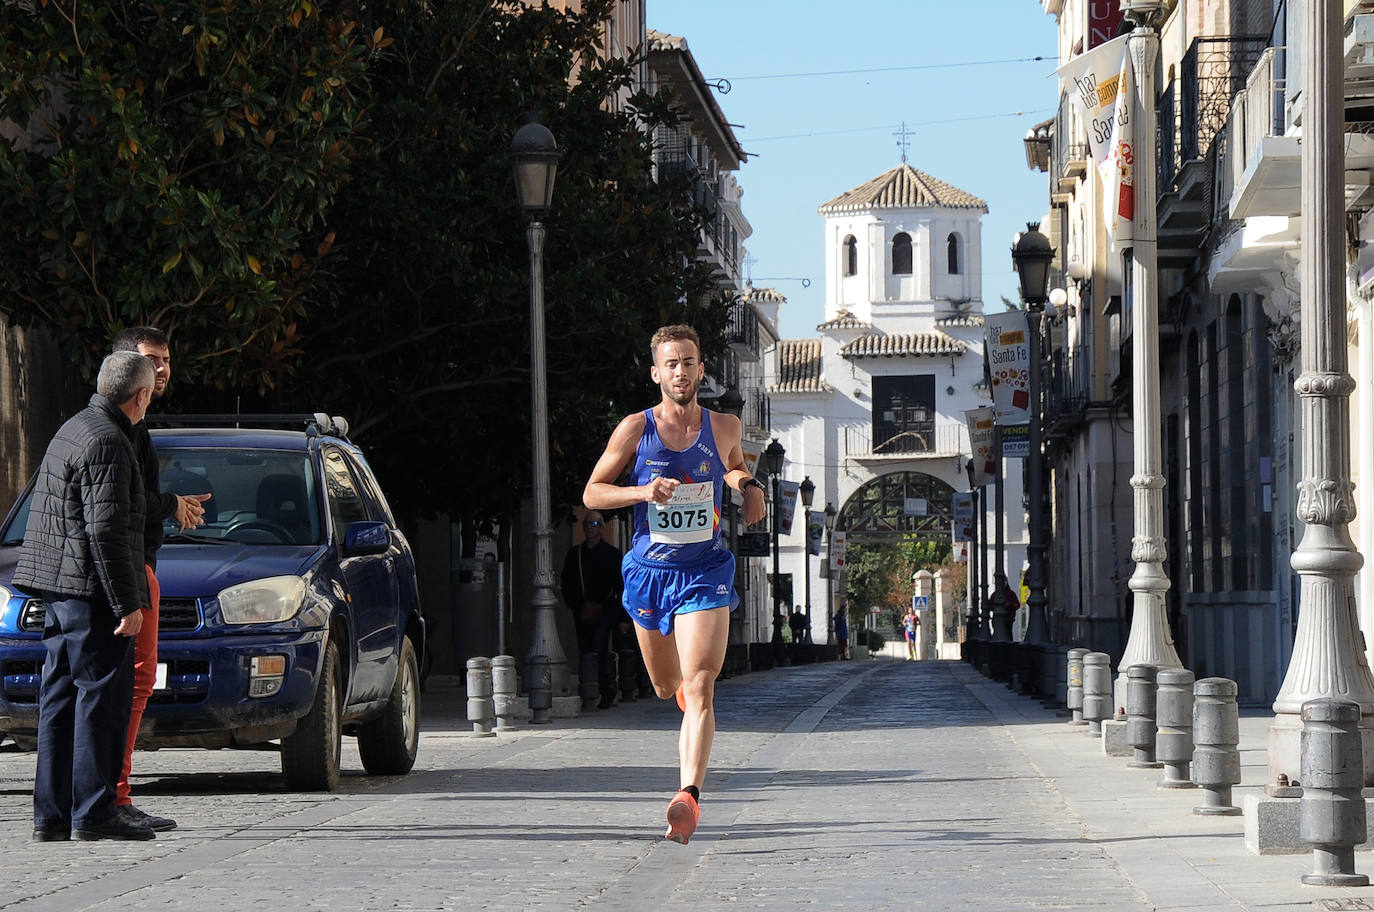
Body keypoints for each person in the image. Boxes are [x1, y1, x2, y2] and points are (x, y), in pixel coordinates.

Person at [583, 324, 766, 846]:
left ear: (701, 368)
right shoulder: (634, 430)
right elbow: (594, 493)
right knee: (669, 686)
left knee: (703, 681)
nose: (681, 371)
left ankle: (688, 796)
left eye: (689, 362)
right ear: (656, 373)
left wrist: (748, 485)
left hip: (705, 569)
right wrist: (644, 492)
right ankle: (684, 699)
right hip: (649, 573)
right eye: (671, 363)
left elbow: (732, 467)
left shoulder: (724, 424)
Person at [15, 352, 158, 840]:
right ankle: (94, 814)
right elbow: (107, 532)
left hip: (57, 587)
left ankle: (50, 817)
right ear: (139, 396)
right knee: (102, 702)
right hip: (89, 590)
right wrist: (127, 604)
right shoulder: (109, 441)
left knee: (58, 700)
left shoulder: (75, 427)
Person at [111, 326, 209, 833]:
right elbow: (117, 508)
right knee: (130, 685)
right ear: (128, 368)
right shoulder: (116, 431)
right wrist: (172, 504)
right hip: (126, 573)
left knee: (128, 687)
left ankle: (105, 795)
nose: (164, 368)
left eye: (168, 359)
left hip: (135, 568)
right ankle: (113, 797)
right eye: (154, 359)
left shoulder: (132, 429)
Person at [559, 509, 623, 709]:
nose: (590, 529)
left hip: (605, 610)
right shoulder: (574, 554)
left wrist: (620, 617)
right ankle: (587, 692)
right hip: (582, 610)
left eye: (594, 525)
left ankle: (606, 692)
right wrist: (576, 604)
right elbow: (566, 582)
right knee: (584, 651)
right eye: (587, 525)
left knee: (601, 650)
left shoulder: (612, 554)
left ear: (602, 528)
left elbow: (620, 586)